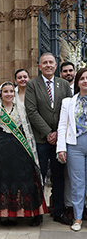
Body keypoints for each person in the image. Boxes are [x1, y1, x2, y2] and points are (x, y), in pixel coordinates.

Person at [0, 82, 47, 226]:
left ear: (15, 93)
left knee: (21, 179)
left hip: (19, 150)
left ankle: (17, 213)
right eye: (5, 91)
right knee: (0, 179)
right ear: (0, 94)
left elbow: (27, 131)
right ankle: (1, 213)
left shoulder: (21, 109)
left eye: (11, 91)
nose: (9, 94)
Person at [25, 52, 72, 225]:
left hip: (60, 140)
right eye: (44, 63)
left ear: (56, 64)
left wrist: (58, 133)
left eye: (51, 62)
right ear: (39, 66)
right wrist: (47, 133)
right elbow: (31, 111)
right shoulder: (32, 85)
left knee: (59, 176)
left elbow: (68, 111)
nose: (48, 65)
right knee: (39, 175)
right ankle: (37, 211)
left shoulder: (64, 84)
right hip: (41, 140)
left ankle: (58, 211)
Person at [57, 68, 87, 231]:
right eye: (82, 78)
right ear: (77, 82)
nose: (85, 81)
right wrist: (61, 148)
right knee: (77, 183)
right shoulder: (68, 102)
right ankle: (77, 218)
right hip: (74, 145)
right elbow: (62, 126)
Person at [60, 61, 76, 221]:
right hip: (65, 137)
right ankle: (69, 206)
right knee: (68, 176)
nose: (68, 73)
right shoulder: (61, 92)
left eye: (70, 70)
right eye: (65, 71)